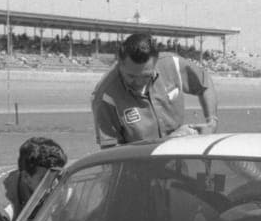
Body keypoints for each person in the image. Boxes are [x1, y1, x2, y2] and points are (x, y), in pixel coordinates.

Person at [90, 32, 218, 148]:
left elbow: (204, 82)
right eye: (131, 76)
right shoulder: (105, 96)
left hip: (177, 158)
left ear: (156, 62)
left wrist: (211, 121)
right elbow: (110, 151)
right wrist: (168, 141)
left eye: (146, 76)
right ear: (119, 63)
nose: (139, 82)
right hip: (136, 165)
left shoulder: (172, 64)